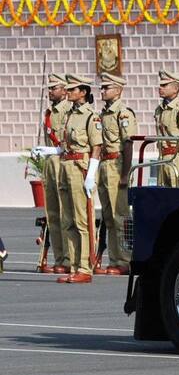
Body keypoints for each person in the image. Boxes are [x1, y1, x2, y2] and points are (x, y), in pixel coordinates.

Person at [56, 74, 102, 284]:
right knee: (68, 219)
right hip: (66, 165)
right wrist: (48, 150)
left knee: (82, 219)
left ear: (83, 92)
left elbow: (97, 146)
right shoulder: (68, 114)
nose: (69, 92)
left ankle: (85, 266)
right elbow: (65, 143)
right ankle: (74, 266)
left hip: (80, 167)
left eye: (73, 89)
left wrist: (91, 174)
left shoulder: (90, 116)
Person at [31, 74, 73, 273]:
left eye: (54, 88)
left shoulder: (67, 111)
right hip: (50, 162)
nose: (50, 92)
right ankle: (60, 258)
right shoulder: (49, 112)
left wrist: (54, 150)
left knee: (66, 212)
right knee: (53, 213)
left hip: (63, 160)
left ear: (64, 90)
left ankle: (70, 257)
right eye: (49, 89)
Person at [95, 73, 136, 275]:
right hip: (105, 164)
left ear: (118, 90)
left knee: (120, 216)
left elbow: (128, 144)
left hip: (116, 165)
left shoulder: (123, 113)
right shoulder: (104, 114)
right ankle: (113, 259)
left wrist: (125, 174)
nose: (102, 91)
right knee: (108, 217)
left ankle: (124, 260)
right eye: (102, 88)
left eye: (106, 87)